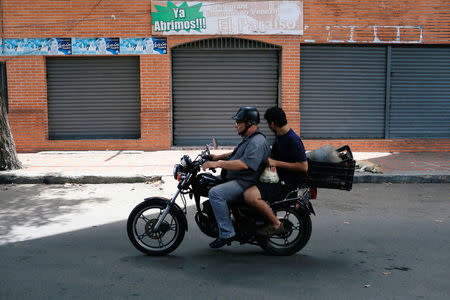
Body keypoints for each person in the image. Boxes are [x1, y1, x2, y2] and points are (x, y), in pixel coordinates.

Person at [201, 106, 271, 248]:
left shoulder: (257, 142)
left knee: (215, 193)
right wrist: (215, 157)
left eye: (238, 122)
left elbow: (245, 164)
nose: (236, 125)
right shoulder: (249, 138)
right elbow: (235, 154)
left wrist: (218, 164)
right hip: (238, 178)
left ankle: (227, 233)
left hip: (246, 182)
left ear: (249, 124)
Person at [243, 106, 308, 236]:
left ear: (273, 123)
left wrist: (276, 163)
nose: (268, 126)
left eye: (268, 123)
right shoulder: (281, 136)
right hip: (273, 175)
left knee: (249, 195)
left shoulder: (293, 140)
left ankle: (277, 224)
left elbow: (303, 166)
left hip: (284, 182)